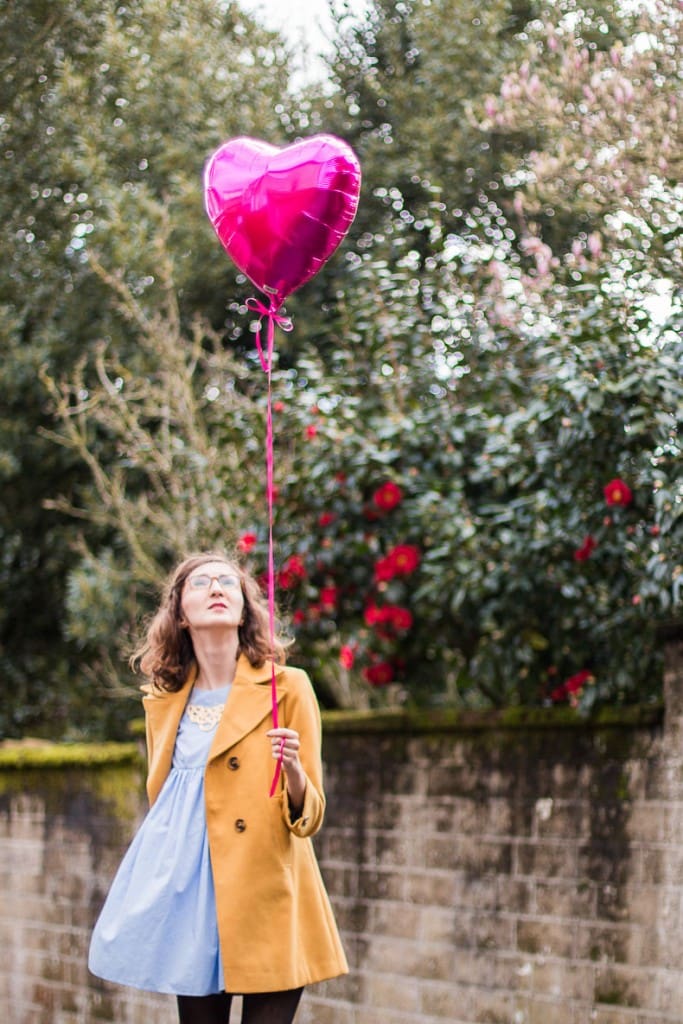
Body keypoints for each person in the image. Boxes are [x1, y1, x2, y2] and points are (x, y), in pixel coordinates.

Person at [88, 550, 348, 1024]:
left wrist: (292, 770)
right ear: (180, 614)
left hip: (268, 894)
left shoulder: (287, 687)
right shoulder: (164, 700)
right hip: (193, 899)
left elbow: (309, 817)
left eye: (228, 582)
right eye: (200, 582)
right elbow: (163, 800)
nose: (215, 588)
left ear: (245, 611)